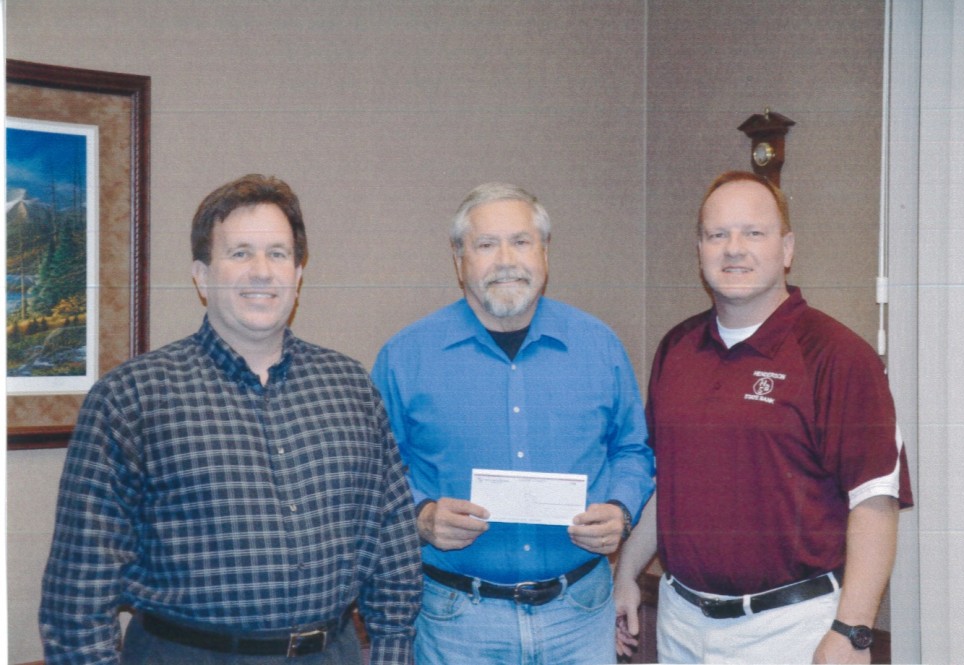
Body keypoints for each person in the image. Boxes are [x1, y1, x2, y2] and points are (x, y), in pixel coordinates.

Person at [39, 174, 422, 664]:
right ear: (201, 275)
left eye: (278, 254)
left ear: (299, 272)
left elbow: (390, 540)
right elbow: (78, 594)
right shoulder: (131, 397)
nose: (261, 271)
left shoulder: (350, 387)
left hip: (333, 652)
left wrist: (391, 652)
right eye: (240, 253)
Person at [614, 171, 913, 664]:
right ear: (700, 249)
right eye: (718, 235)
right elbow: (662, 481)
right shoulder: (677, 348)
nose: (734, 249)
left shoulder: (837, 356)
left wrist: (853, 631)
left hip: (791, 631)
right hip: (680, 623)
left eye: (754, 233)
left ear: (787, 247)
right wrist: (626, 574)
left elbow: (874, 503)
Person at [370, 182, 655, 664]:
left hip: (579, 616)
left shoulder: (599, 347)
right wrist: (421, 516)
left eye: (521, 242)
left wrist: (621, 511)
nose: (506, 259)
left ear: (544, 252)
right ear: (459, 259)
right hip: (457, 621)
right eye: (486, 245)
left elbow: (632, 450)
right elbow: (376, 470)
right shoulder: (405, 357)